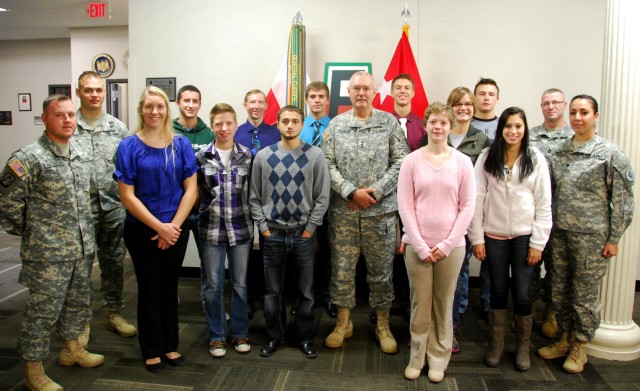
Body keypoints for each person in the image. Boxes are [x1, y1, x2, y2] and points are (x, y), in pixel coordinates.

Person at [0, 95, 104, 391]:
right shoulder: (28, 158)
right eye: (60, 115)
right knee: (42, 312)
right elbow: (5, 200)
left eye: (71, 115)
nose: (68, 120)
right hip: (47, 255)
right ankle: (34, 369)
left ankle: (72, 349)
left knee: (78, 304)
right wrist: (32, 229)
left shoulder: (80, 153)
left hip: (81, 249)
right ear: (45, 119)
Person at [538, 95, 634, 374]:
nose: (578, 117)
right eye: (574, 112)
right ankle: (565, 338)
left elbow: (624, 201)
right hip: (559, 235)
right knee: (558, 289)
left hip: (591, 238)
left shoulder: (610, 153)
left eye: (584, 112)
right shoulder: (560, 151)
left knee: (584, 294)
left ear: (596, 116)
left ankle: (581, 345)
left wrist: (614, 238)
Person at [323, 71, 408, 354]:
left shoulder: (389, 123)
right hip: (344, 214)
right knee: (342, 271)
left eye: (366, 89)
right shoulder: (336, 124)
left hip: (380, 215)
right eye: (356, 88)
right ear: (348, 91)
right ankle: (343, 322)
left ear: (375, 92)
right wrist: (351, 192)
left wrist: (374, 193)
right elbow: (327, 163)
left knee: (382, 273)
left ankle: (382, 325)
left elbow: (401, 161)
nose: (361, 93)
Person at [114, 86, 198, 372]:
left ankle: (170, 346)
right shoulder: (128, 146)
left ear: (167, 110)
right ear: (141, 110)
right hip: (141, 230)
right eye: (149, 106)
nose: (154, 112)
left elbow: (191, 189)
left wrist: (172, 226)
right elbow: (127, 195)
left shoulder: (181, 144)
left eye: (160, 106)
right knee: (149, 288)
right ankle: (151, 349)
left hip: (176, 228)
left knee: (169, 288)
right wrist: (158, 227)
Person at [469, 107, 552, 372]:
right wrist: (477, 238)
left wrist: (538, 243)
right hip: (493, 236)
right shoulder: (486, 157)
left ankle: (523, 347)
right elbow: (477, 199)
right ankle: (497, 345)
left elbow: (544, 203)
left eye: (518, 126)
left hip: (525, 238)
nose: (512, 131)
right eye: (507, 126)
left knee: (524, 292)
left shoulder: (536, 158)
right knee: (497, 290)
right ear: (500, 129)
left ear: (525, 128)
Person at [398, 102, 475, 383]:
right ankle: (417, 357)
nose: (438, 127)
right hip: (417, 247)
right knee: (420, 304)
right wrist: (418, 244)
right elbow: (405, 206)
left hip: (451, 248)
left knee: (444, 305)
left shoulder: (462, 162)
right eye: (433, 122)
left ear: (450, 127)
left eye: (444, 123)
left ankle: (439, 358)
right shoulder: (412, 161)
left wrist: (446, 244)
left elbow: (467, 208)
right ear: (426, 125)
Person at [249, 105, 330, 358]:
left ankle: (305, 336)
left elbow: (322, 196)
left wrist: (310, 229)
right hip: (272, 234)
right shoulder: (263, 156)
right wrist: (263, 230)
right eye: (285, 121)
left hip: (302, 234)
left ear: (301, 124)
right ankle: (275, 336)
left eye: (295, 121)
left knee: (306, 291)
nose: (290, 125)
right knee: (273, 291)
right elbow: (254, 197)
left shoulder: (315, 155)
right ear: (277, 124)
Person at [421, 87, 491, 353]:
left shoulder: (482, 140)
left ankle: (450, 329)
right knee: (427, 283)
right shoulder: (435, 135)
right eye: (458, 104)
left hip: (463, 223)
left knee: (458, 280)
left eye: (468, 104)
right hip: (431, 223)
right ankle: (425, 330)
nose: (464, 108)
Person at [74, 71, 136, 343]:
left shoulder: (117, 128)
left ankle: (114, 313)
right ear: (78, 92)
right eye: (88, 90)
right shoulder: (68, 125)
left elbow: (125, 169)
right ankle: (80, 323)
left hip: (112, 206)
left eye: (98, 90)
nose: (94, 95)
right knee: (81, 268)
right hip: (80, 210)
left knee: (113, 263)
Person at [197, 103, 253, 358]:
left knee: (240, 284)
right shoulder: (200, 157)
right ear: (212, 126)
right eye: (219, 123)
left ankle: (240, 332)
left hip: (241, 230)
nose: (224, 128)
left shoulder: (248, 156)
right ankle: (217, 335)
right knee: (213, 285)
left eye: (229, 123)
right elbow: (192, 194)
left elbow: (253, 194)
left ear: (236, 126)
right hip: (211, 230)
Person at [529, 88, 573, 339]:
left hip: (563, 214)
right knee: (530, 265)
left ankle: (551, 312)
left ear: (564, 105)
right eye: (546, 103)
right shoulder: (532, 136)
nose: (551, 106)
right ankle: (528, 311)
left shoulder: (574, 136)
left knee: (556, 268)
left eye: (556, 102)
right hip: (533, 213)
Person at [172, 85, 214, 307]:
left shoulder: (209, 134)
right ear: (178, 103)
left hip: (202, 208)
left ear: (200, 104)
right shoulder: (167, 130)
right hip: (174, 209)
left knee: (208, 261)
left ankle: (210, 303)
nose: (190, 105)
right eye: (186, 100)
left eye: (195, 101)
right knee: (171, 260)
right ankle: (169, 300)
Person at [300, 81, 337, 318]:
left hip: (331, 198)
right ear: (306, 100)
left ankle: (328, 294)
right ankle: (305, 296)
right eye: (312, 96)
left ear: (327, 100)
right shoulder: (295, 125)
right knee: (303, 250)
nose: (316, 100)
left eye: (321, 96)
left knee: (329, 250)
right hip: (302, 198)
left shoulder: (336, 126)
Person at [471, 77, 501, 321]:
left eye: (491, 94)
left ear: (497, 98)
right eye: (481, 93)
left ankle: (488, 303)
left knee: (490, 257)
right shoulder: (463, 123)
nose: (486, 97)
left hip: (492, 202)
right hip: (463, 200)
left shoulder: (505, 127)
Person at [235, 89, 280, 155]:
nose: (257, 106)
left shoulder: (276, 134)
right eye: (252, 102)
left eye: (261, 102)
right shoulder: (235, 134)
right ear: (245, 105)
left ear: (266, 106)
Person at [471, 77, 500, 142]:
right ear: (474, 98)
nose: (486, 98)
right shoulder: (465, 125)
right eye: (482, 94)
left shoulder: (504, 125)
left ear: (497, 100)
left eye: (491, 94)